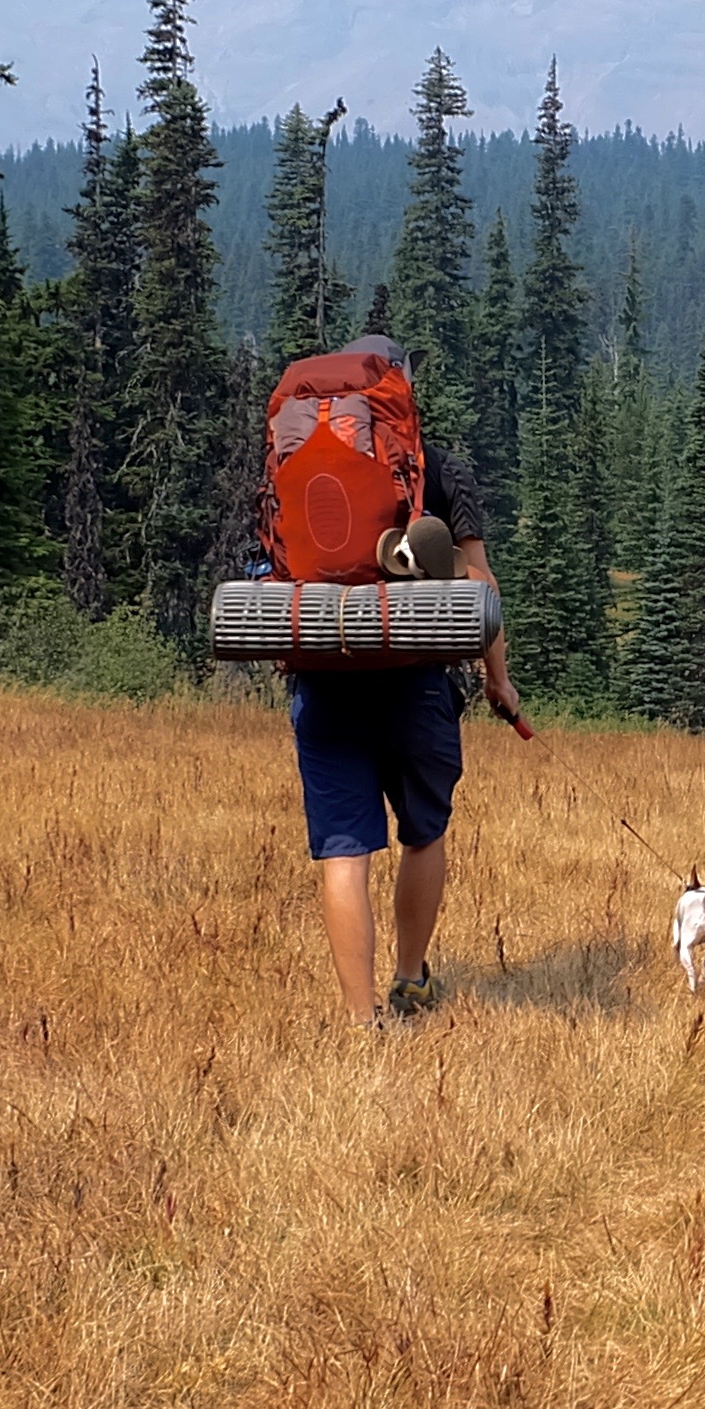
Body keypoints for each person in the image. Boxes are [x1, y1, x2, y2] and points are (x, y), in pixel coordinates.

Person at [273, 348, 532, 1027]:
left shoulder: (294, 458)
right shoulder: (441, 469)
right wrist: (497, 679)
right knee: (423, 831)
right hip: (414, 681)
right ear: (400, 394)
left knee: (343, 850)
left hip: (322, 678)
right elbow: (480, 584)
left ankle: (361, 1020)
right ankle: (410, 979)